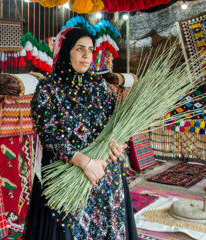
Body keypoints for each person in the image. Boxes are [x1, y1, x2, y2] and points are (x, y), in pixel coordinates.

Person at [24, 27, 138, 240]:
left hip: (104, 175)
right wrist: (84, 163)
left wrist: (117, 146)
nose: (87, 56)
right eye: (79, 49)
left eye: (90, 50)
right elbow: (50, 135)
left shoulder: (101, 87)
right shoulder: (48, 89)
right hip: (67, 177)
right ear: (66, 50)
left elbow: (115, 125)